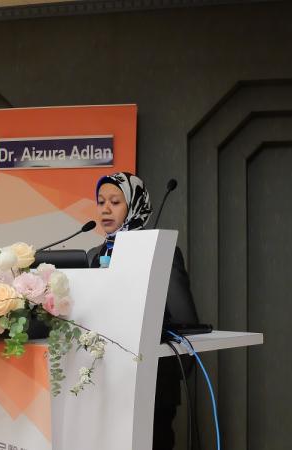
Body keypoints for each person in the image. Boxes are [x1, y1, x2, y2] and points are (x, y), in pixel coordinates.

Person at [87, 171, 199, 450]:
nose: (105, 209)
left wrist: (170, 377)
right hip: (104, 387)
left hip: (153, 386)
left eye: (115, 201)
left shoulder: (161, 252)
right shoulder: (92, 255)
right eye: (101, 201)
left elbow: (185, 320)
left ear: (135, 205)